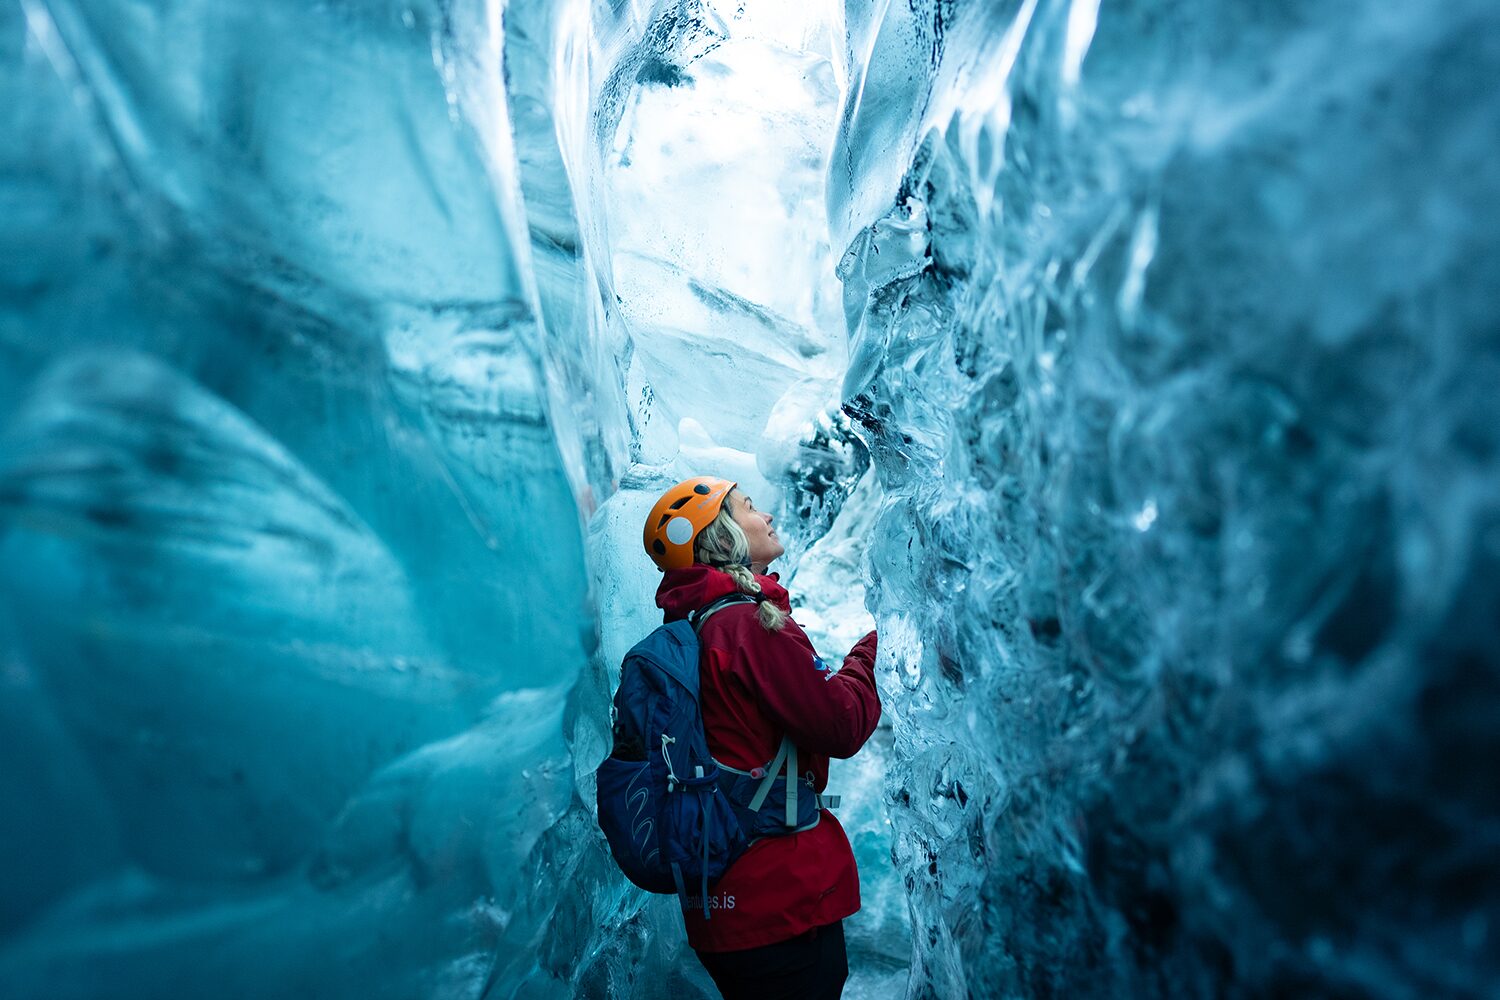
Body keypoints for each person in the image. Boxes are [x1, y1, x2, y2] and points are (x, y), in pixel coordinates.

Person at [643, 476, 881, 1000]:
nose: (768, 516)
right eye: (750, 507)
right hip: (780, 900)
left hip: (726, 905)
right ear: (724, 537)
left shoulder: (697, 626)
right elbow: (840, 724)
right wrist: (871, 654)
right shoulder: (749, 625)